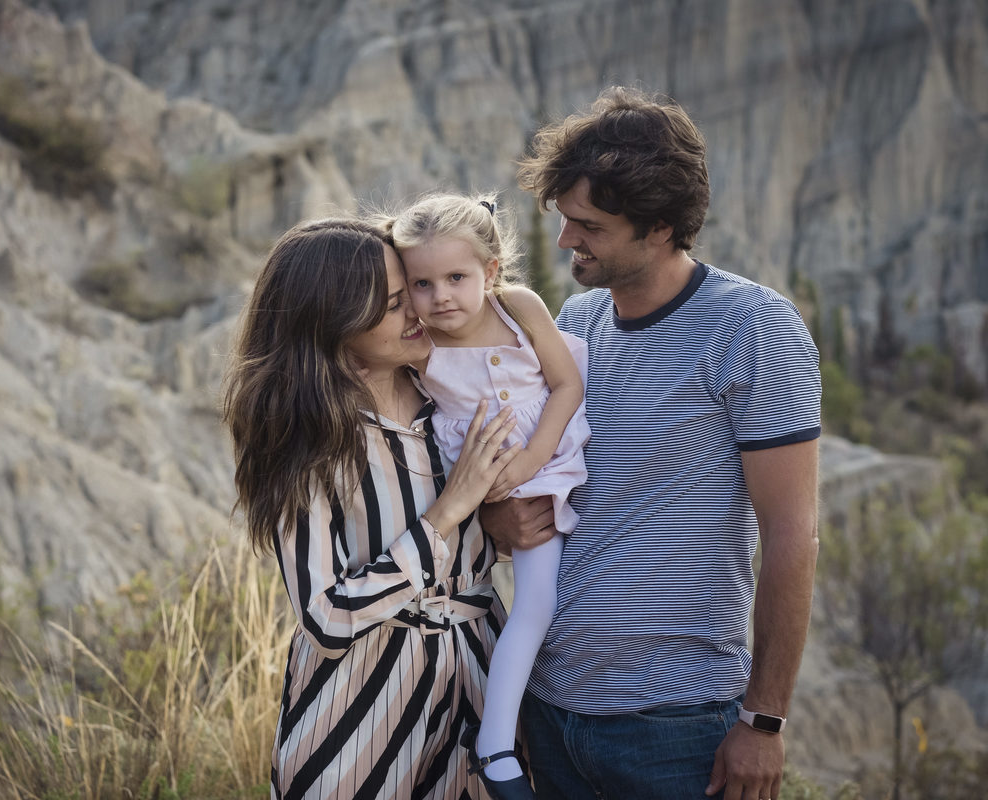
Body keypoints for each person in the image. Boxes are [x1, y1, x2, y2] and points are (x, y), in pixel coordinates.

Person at [482, 86, 822, 800]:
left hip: (674, 727)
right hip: (549, 714)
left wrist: (763, 721)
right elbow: (545, 479)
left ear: (661, 228)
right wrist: (497, 522)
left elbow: (793, 534)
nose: (567, 240)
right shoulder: (574, 321)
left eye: (590, 226)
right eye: (566, 219)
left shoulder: (753, 328)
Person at [222, 217, 525, 800]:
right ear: (333, 325)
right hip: (361, 722)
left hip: (482, 697)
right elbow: (328, 619)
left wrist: (503, 525)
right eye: (392, 304)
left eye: (408, 288)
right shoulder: (306, 439)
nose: (418, 310)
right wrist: (447, 514)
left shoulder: (453, 394)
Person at [385, 193, 591, 800]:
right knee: (501, 600)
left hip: (544, 460)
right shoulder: (417, 342)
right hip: (469, 482)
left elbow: (566, 383)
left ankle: (498, 741)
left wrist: (531, 460)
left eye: (456, 277)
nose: (440, 296)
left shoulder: (518, 306)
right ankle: (497, 740)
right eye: (422, 283)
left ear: (492, 271)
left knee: (536, 602)